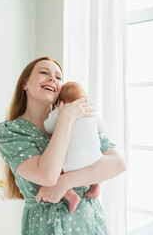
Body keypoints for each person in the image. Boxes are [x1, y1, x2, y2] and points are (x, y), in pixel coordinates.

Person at [0, 57, 126, 235]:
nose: (52, 79)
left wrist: (66, 182)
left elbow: (118, 163)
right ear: (24, 83)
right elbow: (47, 175)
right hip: (44, 226)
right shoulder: (12, 131)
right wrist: (66, 118)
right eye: (44, 72)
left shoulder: (80, 120)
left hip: (89, 222)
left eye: (58, 77)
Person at [43, 81, 104, 213]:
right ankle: (96, 185)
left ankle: (70, 195)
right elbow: (101, 128)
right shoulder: (91, 110)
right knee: (97, 164)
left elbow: (47, 127)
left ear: (60, 102)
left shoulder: (60, 111)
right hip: (95, 159)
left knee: (55, 173)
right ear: (85, 99)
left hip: (71, 161)